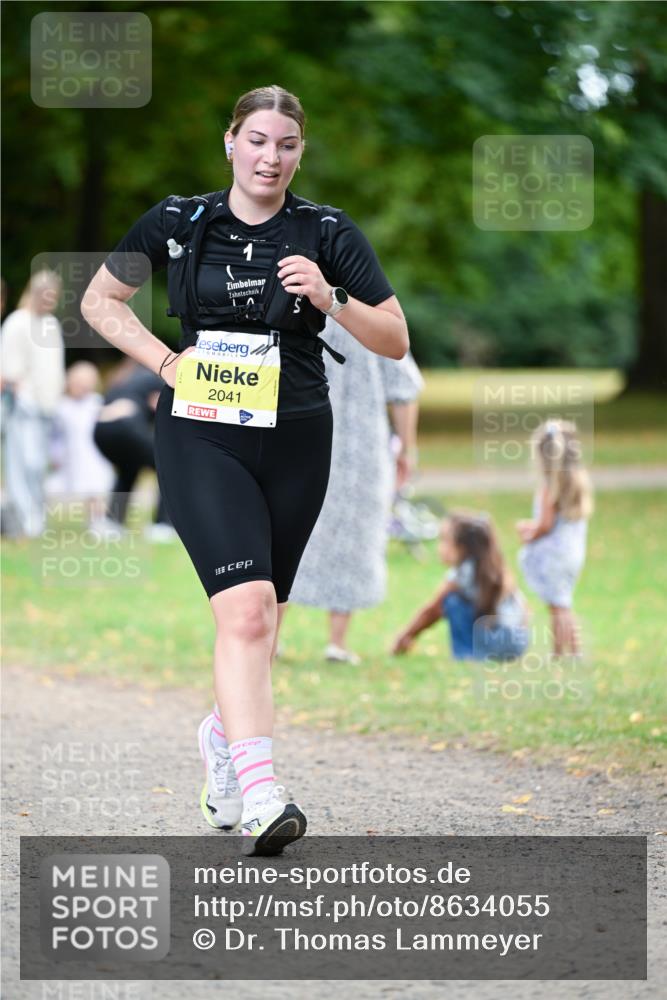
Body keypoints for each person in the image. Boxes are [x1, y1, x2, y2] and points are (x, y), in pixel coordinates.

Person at [81, 85, 408, 855]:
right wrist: (165, 361)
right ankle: (262, 796)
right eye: (257, 140)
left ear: (300, 152)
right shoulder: (178, 221)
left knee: (264, 623)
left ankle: (222, 741)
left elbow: (393, 338)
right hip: (202, 434)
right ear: (231, 141)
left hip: (297, 437)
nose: (271, 157)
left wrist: (330, 298)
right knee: (248, 612)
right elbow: (99, 301)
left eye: (286, 145)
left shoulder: (325, 230)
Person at [287, 315, 423, 664]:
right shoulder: (373, 319)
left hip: (303, 436)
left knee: (290, 534)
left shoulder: (296, 312)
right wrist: (407, 448)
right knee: (354, 537)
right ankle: (337, 641)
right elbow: (404, 388)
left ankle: (271, 637)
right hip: (362, 446)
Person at [391, 512, 529, 661]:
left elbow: (432, 611)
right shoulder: (496, 569)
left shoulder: (462, 573)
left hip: (494, 639)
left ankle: (465, 655)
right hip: (516, 644)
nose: (439, 548)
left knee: (452, 602)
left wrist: (405, 636)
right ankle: (486, 654)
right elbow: (525, 611)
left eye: (444, 540)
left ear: (462, 547)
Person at [516, 419, 593, 656]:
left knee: (559, 608)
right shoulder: (577, 483)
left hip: (554, 557)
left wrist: (528, 531)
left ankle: (570, 652)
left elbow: (546, 525)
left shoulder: (549, 487)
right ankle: (561, 651)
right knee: (563, 605)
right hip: (573, 553)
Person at [0, 269, 65, 537]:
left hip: (47, 408)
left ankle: (35, 519)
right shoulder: (17, 322)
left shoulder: (51, 325)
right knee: (21, 464)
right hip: (21, 406)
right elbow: (8, 368)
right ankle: (24, 522)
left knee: (38, 465)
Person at [93, 362, 174, 540]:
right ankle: (163, 525)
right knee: (168, 468)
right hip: (126, 427)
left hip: (100, 432)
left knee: (129, 467)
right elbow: (161, 406)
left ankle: (111, 523)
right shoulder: (153, 378)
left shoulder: (121, 379)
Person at [47, 361, 115, 529]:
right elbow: (54, 434)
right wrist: (54, 454)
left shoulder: (95, 401)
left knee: (97, 488)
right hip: (71, 455)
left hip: (94, 453)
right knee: (61, 488)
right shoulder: (61, 406)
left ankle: (98, 523)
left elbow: (106, 417)